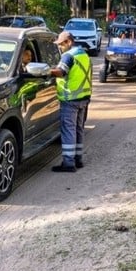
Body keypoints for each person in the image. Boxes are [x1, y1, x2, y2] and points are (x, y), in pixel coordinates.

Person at [49, 31, 92, 172]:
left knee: (68, 130)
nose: (60, 47)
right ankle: (78, 159)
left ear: (69, 42)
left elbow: (61, 72)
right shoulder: (83, 54)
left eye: (61, 44)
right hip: (84, 98)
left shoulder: (68, 56)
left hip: (70, 99)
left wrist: (48, 71)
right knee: (78, 129)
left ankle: (68, 163)